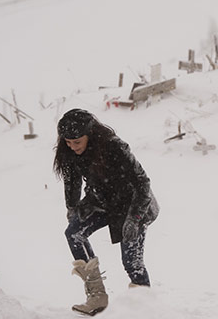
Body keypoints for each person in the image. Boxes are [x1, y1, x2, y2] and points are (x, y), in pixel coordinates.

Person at [53, 108, 159, 315]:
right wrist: (72, 207)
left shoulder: (114, 147)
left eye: (77, 142)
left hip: (134, 204)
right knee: (73, 233)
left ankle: (145, 309)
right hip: (100, 201)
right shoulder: (70, 152)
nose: (72, 147)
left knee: (131, 261)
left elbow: (142, 183)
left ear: (89, 134)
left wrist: (135, 219)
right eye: (68, 142)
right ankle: (97, 296)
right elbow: (72, 181)